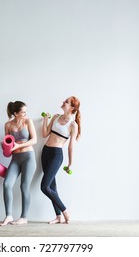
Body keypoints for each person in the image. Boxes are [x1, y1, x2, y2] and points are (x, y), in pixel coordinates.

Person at [40, 96, 81, 224]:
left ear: (72, 107)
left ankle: (65, 211)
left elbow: (71, 146)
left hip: (56, 155)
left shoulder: (73, 125)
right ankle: (58, 216)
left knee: (44, 187)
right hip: (45, 152)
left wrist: (70, 163)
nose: (63, 102)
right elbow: (45, 134)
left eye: (66, 102)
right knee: (52, 186)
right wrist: (46, 119)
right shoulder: (56, 117)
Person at [0, 101, 37, 226]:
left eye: (26, 111)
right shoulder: (8, 125)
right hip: (15, 158)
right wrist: (5, 146)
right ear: (15, 113)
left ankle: (24, 217)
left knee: (24, 186)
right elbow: (7, 143)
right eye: (23, 112)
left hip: (28, 157)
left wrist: (19, 144)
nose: (25, 114)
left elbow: (34, 140)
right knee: (6, 184)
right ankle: (9, 216)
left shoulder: (28, 122)